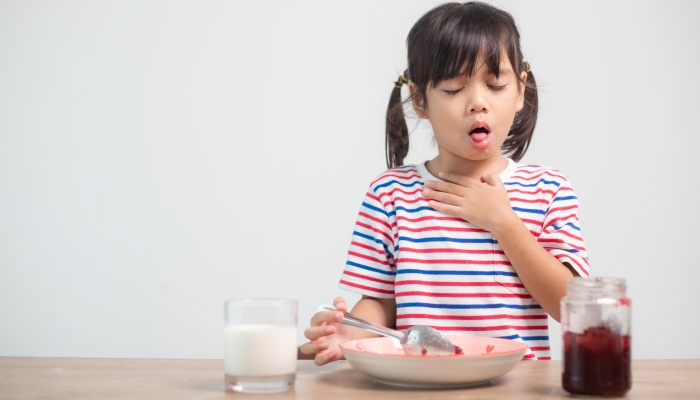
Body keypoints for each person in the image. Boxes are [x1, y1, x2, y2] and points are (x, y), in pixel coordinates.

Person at [300, 1, 588, 364]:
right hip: (418, 384)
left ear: (519, 91)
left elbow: (573, 308)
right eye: (454, 89)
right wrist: (351, 331)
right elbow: (381, 303)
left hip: (515, 387)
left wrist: (503, 222)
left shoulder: (548, 190)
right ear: (421, 100)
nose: (478, 103)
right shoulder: (390, 195)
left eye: (496, 84)